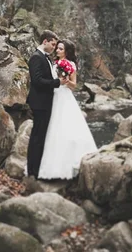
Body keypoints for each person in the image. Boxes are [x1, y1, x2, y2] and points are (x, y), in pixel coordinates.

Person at [38, 39, 97, 180]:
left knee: (64, 127)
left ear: (66, 51)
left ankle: (67, 164)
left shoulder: (70, 65)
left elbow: (73, 85)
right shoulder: (52, 62)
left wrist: (65, 80)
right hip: (53, 95)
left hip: (64, 96)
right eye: (57, 48)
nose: (57, 50)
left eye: (60, 49)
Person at [25, 30, 68, 179]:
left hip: (45, 102)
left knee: (41, 136)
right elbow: (37, 81)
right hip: (40, 103)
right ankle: (33, 171)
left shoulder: (46, 58)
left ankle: (36, 169)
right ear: (45, 42)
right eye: (53, 44)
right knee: (37, 137)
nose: (54, 48)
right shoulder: (36, 58)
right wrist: (56, 83)